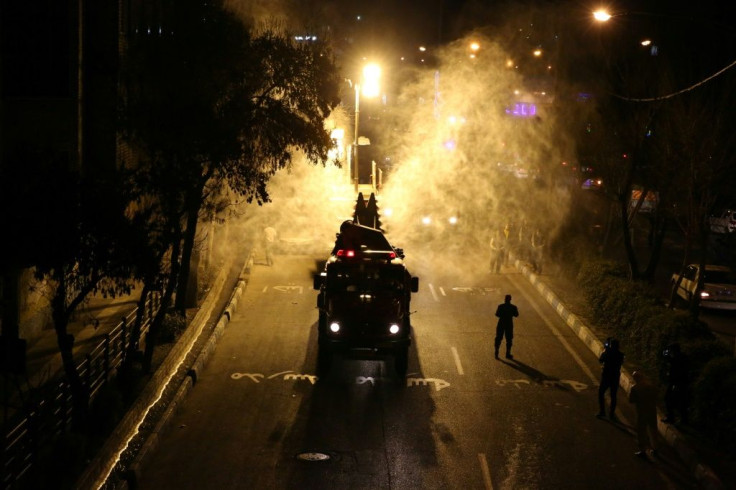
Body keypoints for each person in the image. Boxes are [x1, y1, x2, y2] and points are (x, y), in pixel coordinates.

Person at [629, 371, 659, 458]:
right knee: (653, 429)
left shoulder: (634, 388)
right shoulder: (650, 385)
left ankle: (643, 450)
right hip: (652, 410)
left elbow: (631, 400)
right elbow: (656, 395)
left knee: (641, 431)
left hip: (641, 412)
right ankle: (655, 448)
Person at [597, 337, 624, 421]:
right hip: (615, 377)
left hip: (607, 376)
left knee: (601, 393)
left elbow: (600, 360)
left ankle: (602, 411)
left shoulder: (607, 352)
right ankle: (611, 414)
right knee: (613, 396)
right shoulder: (621, 355)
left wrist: (605, 351)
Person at [661, 343, 689, 424]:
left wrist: (665, 352)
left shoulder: (677, 358)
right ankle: (682, 419)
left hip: (677, 382)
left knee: (669, 399)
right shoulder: (682, 357)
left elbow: (666, 357)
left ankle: (673, 418)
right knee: (680, 401)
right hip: (680, 382)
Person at [494, 294, 519, 359]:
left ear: (504, 299)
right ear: (510, 299)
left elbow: (497, 314)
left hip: (501, 323)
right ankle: (508, 353)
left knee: (498, 338)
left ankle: (496, 351)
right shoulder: (513, 307)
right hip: (509, 324)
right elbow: (516, 315)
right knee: (509, 339)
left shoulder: (500, 306)